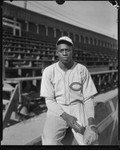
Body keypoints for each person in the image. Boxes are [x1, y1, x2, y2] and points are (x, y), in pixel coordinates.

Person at [40, 36, 98, 145]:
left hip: (78, 107)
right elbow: (49, 101)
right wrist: (66, 117)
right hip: (57, 108)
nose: (65, 53)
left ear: (72, 51)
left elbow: (88, 98)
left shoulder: (82, 69)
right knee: (48, 142)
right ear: (57, 52)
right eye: (61, 50)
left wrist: (91, 124)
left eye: (68, 50)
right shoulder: (49, 71)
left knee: (91, 140)